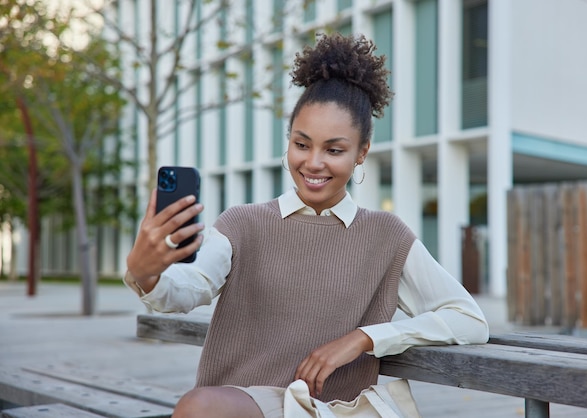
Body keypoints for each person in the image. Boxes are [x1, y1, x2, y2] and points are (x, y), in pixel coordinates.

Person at [124, 32, 489, 418]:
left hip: (327, 409)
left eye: (334, 150)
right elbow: (188, 290)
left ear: (361, 152)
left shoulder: (386, 236)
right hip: (240, 404)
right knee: (199, 407)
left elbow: (468, 319)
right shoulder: (243, 224)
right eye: (302, 144)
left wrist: (364, 338)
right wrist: (147, 274)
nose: (313, 163)